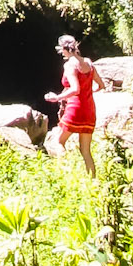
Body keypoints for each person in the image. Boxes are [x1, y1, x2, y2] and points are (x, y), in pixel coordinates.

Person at [45, 34, 99, 175]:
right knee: (86, 151)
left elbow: (75, 89)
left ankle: (67, 173)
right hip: (90, 109)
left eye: (61, 50)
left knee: (58, 142)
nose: (61, 53)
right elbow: (101, 85)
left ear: (64, 49)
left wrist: (57, 97)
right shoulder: (88, 62)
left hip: (75, 109)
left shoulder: (69, 65)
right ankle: (93, 182)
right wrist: (88, 93)